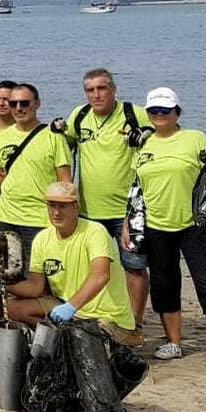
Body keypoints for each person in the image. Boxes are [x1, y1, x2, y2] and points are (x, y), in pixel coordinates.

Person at [127, 87, 206, 372]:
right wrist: (128, 224)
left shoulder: (194, 138)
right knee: (164, 285)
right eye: (154, 111)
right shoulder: (144, 146)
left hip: (194, 226)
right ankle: (174, 342)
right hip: (156, 226)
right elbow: (137, 189)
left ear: (177, 113)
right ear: (148, 114)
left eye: (165, 111)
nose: (159, 115)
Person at [5, 182, 142, 348]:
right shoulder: (42, 239)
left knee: (87, 344)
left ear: (75, 207)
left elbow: (101, 275)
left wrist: (71, 306)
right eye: (52, 206)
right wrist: (4, 283)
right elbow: (35, 287)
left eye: (62, 206)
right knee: (13, 308)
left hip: (107, 317)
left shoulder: (95, 231)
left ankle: (67, 337)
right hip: (67, 308)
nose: (56, 212)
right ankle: (61, 335)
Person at [66, 68, 153, 325]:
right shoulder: (79, 116)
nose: (96, 94)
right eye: (90, 90)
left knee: (134, 267)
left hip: (128, 211)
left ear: (113, 89)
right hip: (89, 211)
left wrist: (146, 134)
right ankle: (94, 314)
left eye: (102, 88)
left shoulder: (132, 113)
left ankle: (133, 323)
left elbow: (162, 132)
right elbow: (61, 146)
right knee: (91, 268)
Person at [0, 83, 71, 249]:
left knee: (36, 273)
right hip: (6, 217)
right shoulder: (2, 137)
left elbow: (65, 182)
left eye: (24, 103)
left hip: (39, 219)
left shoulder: (54, 137)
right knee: (9, 273)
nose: (18, 108)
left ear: (37, 104)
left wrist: (64, 219)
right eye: (13, 103)